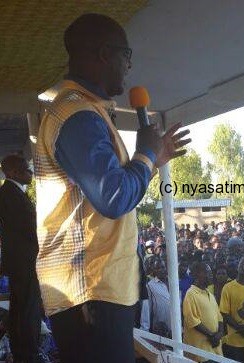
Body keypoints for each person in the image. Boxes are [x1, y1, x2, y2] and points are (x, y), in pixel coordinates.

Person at [34, 13, 190, 363]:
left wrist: (152, 159)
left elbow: (115, 191)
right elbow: (114, 196)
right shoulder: (76, 115)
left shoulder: (85, 112)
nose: (129, 66)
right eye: (127, 56)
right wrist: (146, 152)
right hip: (90, 290)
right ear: (105, 53)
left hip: (97, 289)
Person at [0, 155, 42, 362]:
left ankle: (23, 351)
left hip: (19, 262)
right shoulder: (9, 194)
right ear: (13, 172)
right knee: (27, 310)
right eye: (26, 169)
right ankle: (28, 354)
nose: (30, 172)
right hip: (23, 262)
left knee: (20, 308)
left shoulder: (12, 193)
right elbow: (29, 228)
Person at [183, 262, 223, 362]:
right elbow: (192, 320)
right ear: (197, 274)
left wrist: (220, 334)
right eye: (208, 272)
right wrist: (212, 336)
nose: (211, 275)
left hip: (215, 348)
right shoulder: (191, 294)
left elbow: (219, 318)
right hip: (201, 351)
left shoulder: (210, 294)